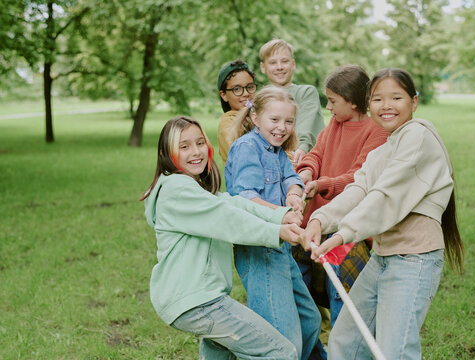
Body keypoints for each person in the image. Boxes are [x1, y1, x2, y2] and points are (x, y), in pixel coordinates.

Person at [301, 68, 465, 359]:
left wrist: (341, 235)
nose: (386, 105)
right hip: (382, 257)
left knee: (395, 351)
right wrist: (319, 220)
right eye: (378, 99)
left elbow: (383, 197)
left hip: (413, 259)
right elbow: (359, 189)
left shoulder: (417, 136)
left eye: (396, 97)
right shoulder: (384, 149)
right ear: (368, 103)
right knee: (346, 340)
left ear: (413, 102)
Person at [141, 116, 303, 360]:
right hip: (199, 302)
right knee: (280, 352)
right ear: (166, 152)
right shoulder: (177, 189)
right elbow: (228, 218)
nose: (196, 152)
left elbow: (233, 203)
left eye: (199, 143)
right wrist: (276, 232)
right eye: (184, 146)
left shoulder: (193, 189)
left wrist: (281, 216)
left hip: (196, 300)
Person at [293, 65, 389, 359]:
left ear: (353, 101)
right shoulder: (333, 124)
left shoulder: (376, 132)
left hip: (347, 230)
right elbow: (317, 153)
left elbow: (359, 176)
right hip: (314, 224)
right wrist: (308, 171)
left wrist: (324, 183)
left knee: (341, 294)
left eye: (333, 100)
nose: (328, 106)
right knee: (300, 285)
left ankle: (343, 350)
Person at [225, 86, 322, 360]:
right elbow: (245, 197)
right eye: (275, 120)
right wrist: (282, 215)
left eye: (288, 121)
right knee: (282, 338)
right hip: (260, 251)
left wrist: (294, 193)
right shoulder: (247, 148)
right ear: (255, 118)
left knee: (309, 321)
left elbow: (290, 176)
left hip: (281, 250)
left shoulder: (277, 150)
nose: (282, 128)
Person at [259, 39, 325, 166]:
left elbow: (306, 128)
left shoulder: (306, 92)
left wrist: (301, 148)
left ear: (293, 64)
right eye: (273, 62)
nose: (279, 67)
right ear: (263, 67)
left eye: (285, 61)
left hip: (302, 162)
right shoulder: (261, 98)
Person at [217, 59, 257, 165]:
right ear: (224, 95)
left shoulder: (259, 117)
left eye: (250, 87)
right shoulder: (228, 122)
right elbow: (245, 156)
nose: (246, 93)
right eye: (237, 89)